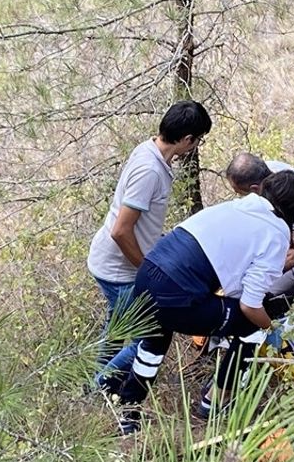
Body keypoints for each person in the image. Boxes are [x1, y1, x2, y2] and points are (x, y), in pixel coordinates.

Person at [108, 170, 294, 434]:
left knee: (152, 347)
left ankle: (128, 413)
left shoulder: (236, 206)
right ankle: (215, 401)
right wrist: (270, 330)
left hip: (147, 275)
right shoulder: (276, 232)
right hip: (178, 295)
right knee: (251, 329)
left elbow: (231, 275)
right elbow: (250, 306)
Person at [86, 100, 212, 389]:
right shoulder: (150, 171)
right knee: (152, 334)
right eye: (197, 141)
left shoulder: (152, 153)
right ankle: (99, 387)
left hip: (113, 262)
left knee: (117, 328)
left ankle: (91, 382)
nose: (195, 147)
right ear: (187, 139)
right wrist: (146, 270)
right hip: (118, 269)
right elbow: (121, 230)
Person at [224, 152, 294, 299]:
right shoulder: (271, 170)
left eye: (240, 193)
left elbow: (291, 259)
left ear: (254, 189)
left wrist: (251, 279)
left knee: (266, 293)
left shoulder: (292, 199)